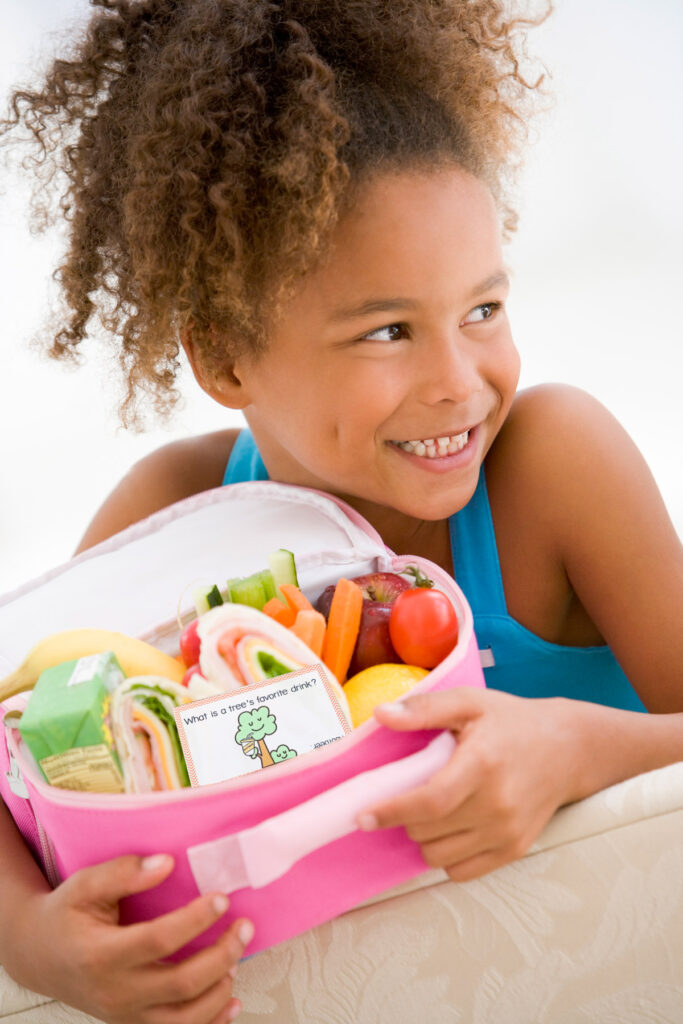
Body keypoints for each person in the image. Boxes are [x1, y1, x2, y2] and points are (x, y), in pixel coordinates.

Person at [1, 0, 682, 1021]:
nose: (460, 380)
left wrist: (572, 748)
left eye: (481, 310)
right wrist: (28, 937)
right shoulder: (175, 514)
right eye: (386, 332)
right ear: (223, 354)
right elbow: (18, 756)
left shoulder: (552, 468)